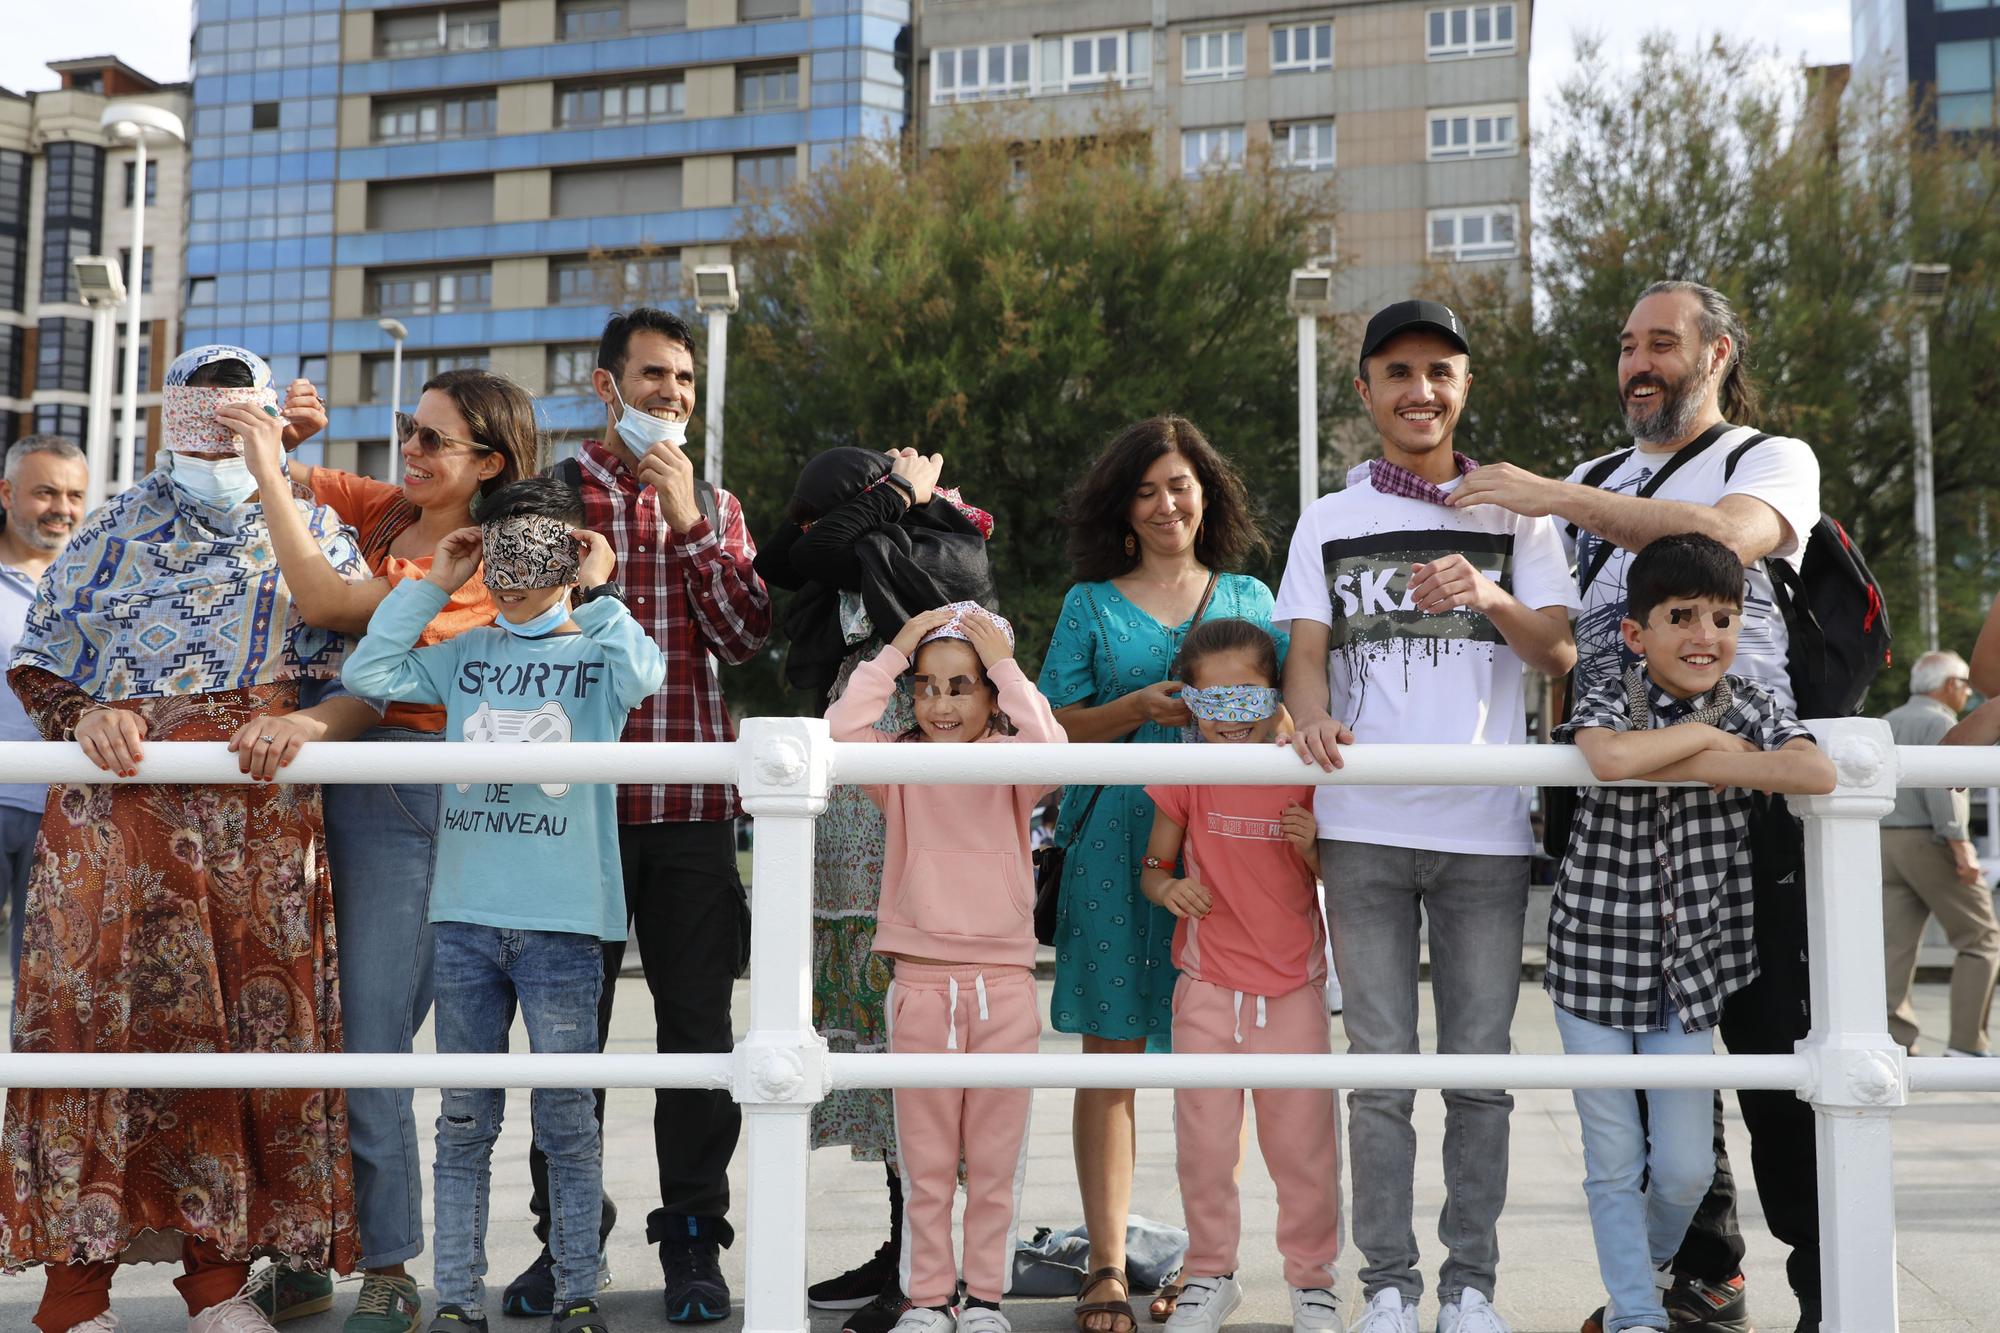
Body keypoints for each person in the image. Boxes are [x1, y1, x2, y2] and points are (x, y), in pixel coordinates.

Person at [1451, 280, 1825, 1332]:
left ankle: (1823, 1291)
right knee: (1666, 1088)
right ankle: (1690, 1282)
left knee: (1770, 1064)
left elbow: (1717, 537)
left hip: (1741, 813)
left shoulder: (1766, 457)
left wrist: (1555, 499)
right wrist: (1487, 599)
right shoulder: (1592, 474)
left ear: (1716, 353)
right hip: (1610, 794)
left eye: (1660, 342)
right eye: (1624, 346)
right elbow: (1564, 642)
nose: (1636, 363)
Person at [1, 344, 373, 1333]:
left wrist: (303, 721)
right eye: (203, 420)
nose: (218, 439)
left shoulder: (311, 524)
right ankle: (73, 1291)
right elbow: (42, 661)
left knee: (236, 1038)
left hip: (257, 818)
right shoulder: (113, 521)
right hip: (115, 820)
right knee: (93, 1032)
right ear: (170, 416)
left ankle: (218, 1280)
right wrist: (84, 713)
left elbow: (367, 666)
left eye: (238, 418)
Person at [1277, 300, 1580, 1333]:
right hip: (1360, 826)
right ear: (1363, 390)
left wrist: (1485, 596)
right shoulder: (1329, 515)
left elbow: (1556, 653)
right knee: (1377, 1074)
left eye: (1439, 372)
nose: (1419, 391)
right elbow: (1304, 652)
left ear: (1464, 387)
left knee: (1478, 1073)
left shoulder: (1515, 511)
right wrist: (1309, 717)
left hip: (1485, 832)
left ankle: (1469, 1287)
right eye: (1396, 372)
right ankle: (1390, 1287)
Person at [244, 367, 537, 1333]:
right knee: (305, 1025)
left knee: (369, 1033)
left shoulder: (476, 558)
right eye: (408, 431)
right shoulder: (385, 514)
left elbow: (328, 605)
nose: (409, 451)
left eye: (433, 441)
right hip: (332, 783)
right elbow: (280, 493)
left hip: (413, 784)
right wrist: (280, 442)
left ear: (489, 465)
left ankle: (389, 1266)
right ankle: (308, 1248)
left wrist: (266, 458)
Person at [342, 476, 666, 1333]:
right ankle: (455, 1299)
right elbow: (369, 670)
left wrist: (599, 590)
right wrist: (434, 584)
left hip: (564, 919)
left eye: (538, 550)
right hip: (467, 914)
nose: (515, 571)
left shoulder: (598, 652)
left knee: (567, 1117)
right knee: (462, 1119)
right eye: (505, 548)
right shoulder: (465, 650)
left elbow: (646, 672)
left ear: (569, 555)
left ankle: (580, 1291)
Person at [505, 308, 771, 1324]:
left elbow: (745, 638)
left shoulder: (713, 500)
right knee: (566, 1042)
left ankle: (693, 1241)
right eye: (653, 376)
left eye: (684, 381)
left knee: (697, 1033)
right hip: (567, 812)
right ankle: (564, 1239)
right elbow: (512, 626)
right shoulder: (546, 495)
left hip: (692, 807)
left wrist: (692, 525)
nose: (671, 395)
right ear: (604, 386)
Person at [1551, 534, 1834, 1333]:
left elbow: (1813, 771)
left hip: (1692, 972)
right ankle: (1638, 1316)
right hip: (1593, 962)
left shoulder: (1753, 698)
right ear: (1636, 632)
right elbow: (1606, 758)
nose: (1704, 634)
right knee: (1613, 1160)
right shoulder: (1611, 688)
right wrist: (1711, 746)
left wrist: (1684, 757)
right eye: (1681, 616)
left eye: (1723, 615)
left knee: (1680, 1168)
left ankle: (1635, 1273)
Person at [1036, 415, 1281, 1333]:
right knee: (1111, 1059)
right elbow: (1051, 720)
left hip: (1232, 863)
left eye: (1180, 483)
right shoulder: (1090, 603)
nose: (1167, 502)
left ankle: (1207, 1263)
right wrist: (1136, 708)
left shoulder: (1254, 598)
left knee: (1217, 1070)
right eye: (1146, 489)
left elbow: (1290, 718)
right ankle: (1104, 1265)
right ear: (1123, 509)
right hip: (1112, 852)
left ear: (1206, 492)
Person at [753, 445, 997, 1331]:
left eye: (836, 513)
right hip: (844, 838)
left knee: (923, 1055)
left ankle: (938, 1272)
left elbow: (831, 555)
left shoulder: (949, 544)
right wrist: (881, 496)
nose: (820, 531)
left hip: (915, 826)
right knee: (877, 1046)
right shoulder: (857, 544)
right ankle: (904, 1250)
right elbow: (783, 556)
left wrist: (904, 497)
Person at [825, 601, 1064, 1333]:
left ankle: (984, 1299)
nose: (940, 702)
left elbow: (1055, 751)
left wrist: (1004, 663)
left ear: (991, 695)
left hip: (1004, 988)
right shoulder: (897, 762)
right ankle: (928, 1299)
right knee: (926, 1165)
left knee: (994, 1166)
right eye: (927, 686)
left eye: (961, 686)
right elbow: (839, 730)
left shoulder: (1014, 766)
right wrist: (896, 650)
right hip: (920, 986)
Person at [1139, 618, 1342, 1333]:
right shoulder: (1186, 770)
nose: (1230, 713)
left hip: (1291, 990)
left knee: (1304, 1151)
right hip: (1207, 989)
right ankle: (1209, 1272)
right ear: (1190, 700)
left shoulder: (1302, 766)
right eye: (1213, 698)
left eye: (1246, 695)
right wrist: (1168, 892)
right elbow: (1155, 866)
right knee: (1204, 1148)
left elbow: (1337, 878)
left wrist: (1314, 848)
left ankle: (1314, 1281)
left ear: (1276, 693)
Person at [1879, 650, 2000, 1057]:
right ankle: (1966, 1043)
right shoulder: (1941, 721)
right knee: (1981, 938)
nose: (1967, 693)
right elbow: (1944, 786)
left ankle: (1895, 1040)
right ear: (1950, 685)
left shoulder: (1887, 721)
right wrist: (1960, 843)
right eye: (1965, 684)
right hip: (1931, 841)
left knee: (1895, 945)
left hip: (1886, 841)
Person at [0, 435, 87, 982]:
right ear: (6, 493)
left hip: (65, 805)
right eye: (46, 492)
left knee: (45, 983)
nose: (63, 509)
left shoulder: (99, 585)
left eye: (75, 495)